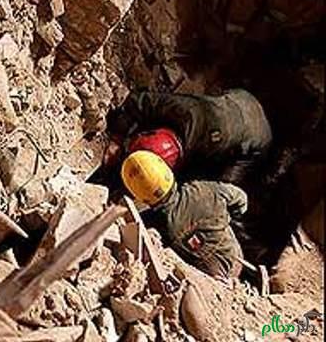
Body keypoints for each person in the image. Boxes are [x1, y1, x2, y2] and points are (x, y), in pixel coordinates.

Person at [103, 88, 272, 186]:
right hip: (237, 99)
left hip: (257, 135)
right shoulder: (179, 109)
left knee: (222, 185)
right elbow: (137, 101)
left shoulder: (201, 149)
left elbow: (220, 186)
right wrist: (117, 139)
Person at [121, 150, 247, 279]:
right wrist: (232, 215)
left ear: (139, 196)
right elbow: (241, 199)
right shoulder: (204, 191)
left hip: (210, 277)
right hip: (235, 259)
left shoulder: (156, 227)